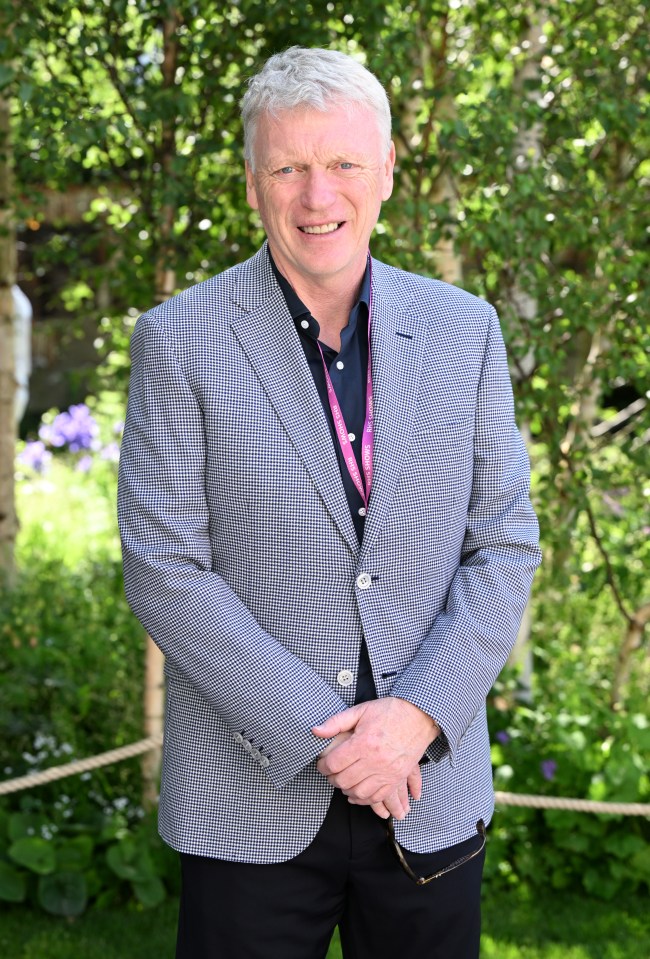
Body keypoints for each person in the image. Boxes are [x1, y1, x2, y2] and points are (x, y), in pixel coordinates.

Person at [118, 46, 541, 959]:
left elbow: (504, 544)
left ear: (387, 170)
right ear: (251, 181)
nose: (319, 195)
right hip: (248, 798)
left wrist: (415, 717)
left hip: (426, 791)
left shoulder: (466, 330)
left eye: (344, 163)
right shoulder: (178, 338)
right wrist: (328, 741)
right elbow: (164, 568)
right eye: (289, 166)